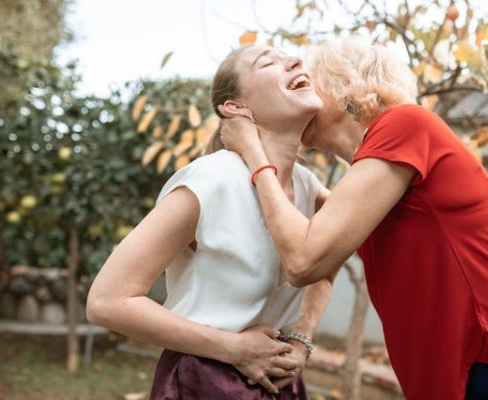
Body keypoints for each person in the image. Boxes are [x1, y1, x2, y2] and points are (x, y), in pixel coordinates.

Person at [219, 39, 488, 399]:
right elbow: (326, 251)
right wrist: (301, 338)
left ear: (343, 84)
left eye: (308, 78)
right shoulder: (368, 177)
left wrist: (253, 152)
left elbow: (305, 260)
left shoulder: (405, 124)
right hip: (465, 376)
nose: (300, 84)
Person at [86, 44, 336, 399]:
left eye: (291, 58)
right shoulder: (211, 179)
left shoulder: (308, 186)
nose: (296, 61)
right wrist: (235, 349)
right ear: (236, 107)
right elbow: (107, 301)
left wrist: (301, 341)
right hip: (206, 380)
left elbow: (331, 257)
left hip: (278, 378)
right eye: (269, 62)